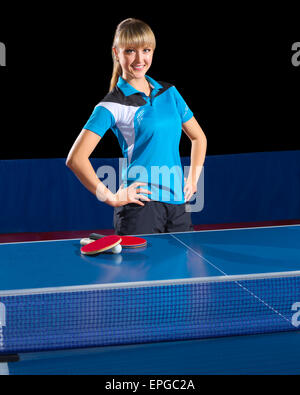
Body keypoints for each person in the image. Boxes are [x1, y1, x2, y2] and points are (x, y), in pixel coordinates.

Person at [66, 18, 207, 235]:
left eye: (146, 50)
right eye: (131, 51)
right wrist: (112, 197)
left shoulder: (170, 93)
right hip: (140, 209)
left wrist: (193, 179)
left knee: (185, 269)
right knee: (142, 269)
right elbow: (75, 159)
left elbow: (199, 138)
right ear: (116, 53)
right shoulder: (112, 105)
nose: (140, 58)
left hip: (178, 205)